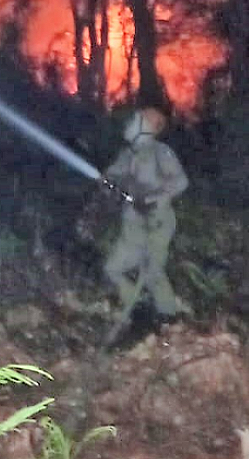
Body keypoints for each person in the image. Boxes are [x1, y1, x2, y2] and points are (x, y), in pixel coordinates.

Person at [101, 107, 189, 342]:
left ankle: (168, 318)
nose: (129, 124)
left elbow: (181, 182)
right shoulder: (127, 154)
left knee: (152, 272)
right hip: (132, 224)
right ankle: (138, 308)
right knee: (113, 268)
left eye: (136, 120)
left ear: (147, 128)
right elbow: (110, 177)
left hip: (157, 221)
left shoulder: (161, 153)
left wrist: (156, 199)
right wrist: (109, 184)